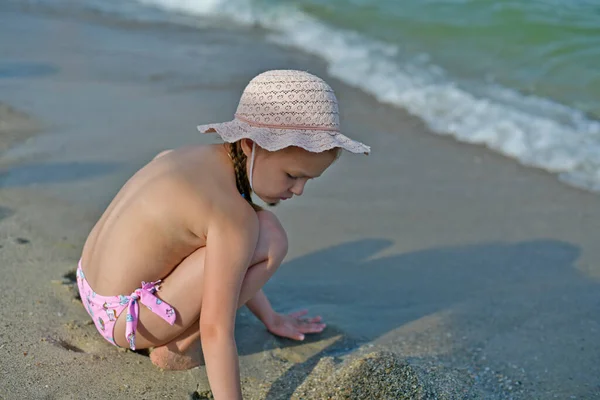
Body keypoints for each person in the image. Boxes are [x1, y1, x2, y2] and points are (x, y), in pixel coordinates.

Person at [76, 69, 370, 399]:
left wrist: (269, 316)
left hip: (91, 286)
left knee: (248, 233)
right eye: (292, 175)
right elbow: (216, 331)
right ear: (250, 145)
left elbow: (227, 264)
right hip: (126, 322)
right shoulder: (232, 216)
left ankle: (174, 332)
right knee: (271, 238)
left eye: (307, 181)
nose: (298, 190)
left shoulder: (184, 157)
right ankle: (178, 347)